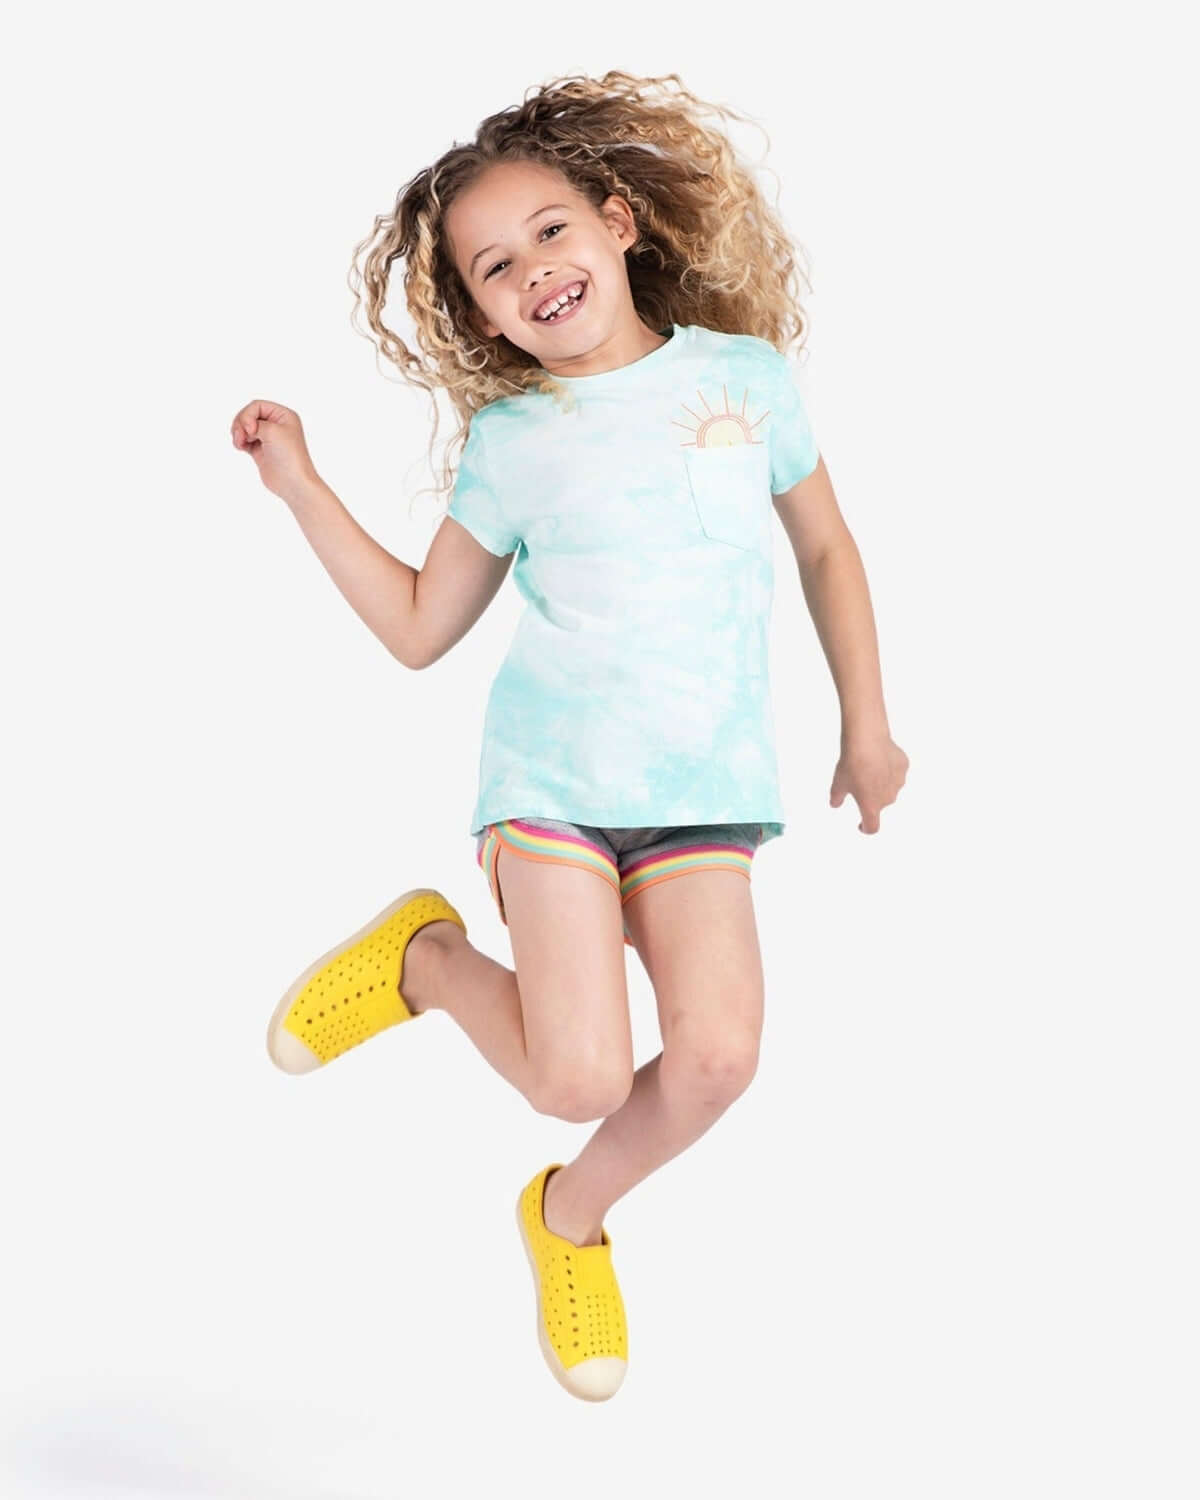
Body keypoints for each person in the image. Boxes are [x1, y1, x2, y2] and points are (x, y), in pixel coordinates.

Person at [230, 70, 909, 1403]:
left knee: (716, 1061)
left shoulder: (746, 379)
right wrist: (301, 484)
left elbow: (827, 548)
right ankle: (427, 961)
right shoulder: (513, 440)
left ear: (618, 223)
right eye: (494, 267)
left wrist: (868, 724)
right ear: (480, 315)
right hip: (551, 784)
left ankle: (568, 1219)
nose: (533, 269)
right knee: (578, 1076)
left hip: (703, 795)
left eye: (549, 231)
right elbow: (420, 627)